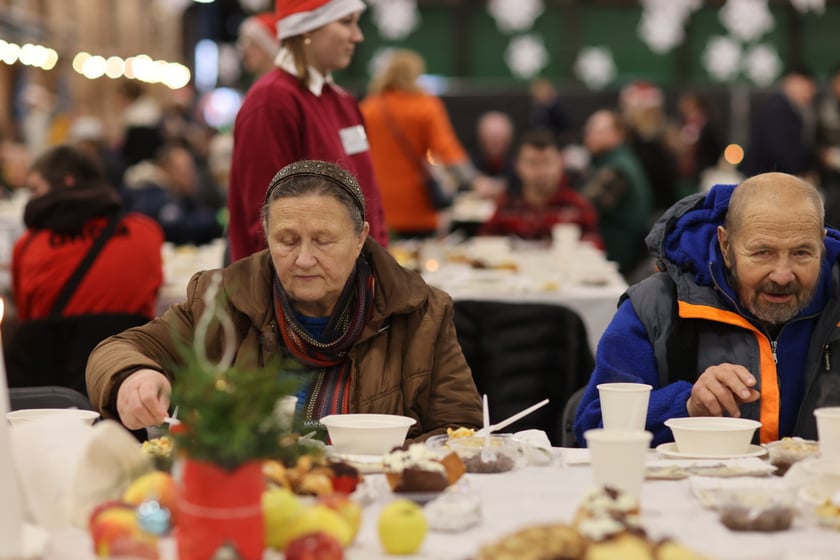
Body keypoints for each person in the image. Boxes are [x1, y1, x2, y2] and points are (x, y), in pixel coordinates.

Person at [86, 160, 484, 440]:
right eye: (287, 240)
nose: (304, 259)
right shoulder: (221, 301)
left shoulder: (420, 312)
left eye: (323, 240)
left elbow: (458, 434)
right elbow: (117, 349)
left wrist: (376, 462)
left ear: (361, 237)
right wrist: (132, 377)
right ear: (266, 235)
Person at [574, 172, 840, 447]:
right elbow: (593, 429)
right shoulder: (655, 307)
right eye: (763, 252)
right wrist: (687, 406)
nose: (782, 275)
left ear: (821, 243)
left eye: (802, 253)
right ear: (726, 246)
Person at [227, 0, 388, 262]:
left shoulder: (343, 102)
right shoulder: (272, 102)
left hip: (352, 286)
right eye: (346, 22)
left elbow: (370, 197)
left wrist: (381, 269)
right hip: (300, 290)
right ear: (306, 28)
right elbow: (264, 222)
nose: (358, 36)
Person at [8, 144, 164, 395]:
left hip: (55, 394)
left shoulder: (27, 247)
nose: (31, 199)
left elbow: (29, 319)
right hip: (131, 385)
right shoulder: (147, 233)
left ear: (67, 182)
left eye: (35, 189)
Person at [360, 49, 476, 239]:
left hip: (378, 203)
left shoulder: (369, 107)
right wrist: (472, 179)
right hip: (417, 204)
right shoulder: (426, 106)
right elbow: (446, 148)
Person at [479, 129, 603, 248]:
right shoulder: (506, 207)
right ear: (518, 166)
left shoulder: (578, 207)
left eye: (547, 162)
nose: (541, 171)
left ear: (561, 163)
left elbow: (595, 248)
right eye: (532, 163)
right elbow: (484, 245)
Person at [579, 109, 653, 278]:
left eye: (597, 131)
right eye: (588, 130)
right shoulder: (615, 159)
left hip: (617, 253)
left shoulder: (617, 168)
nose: (588, 135)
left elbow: (584, 207)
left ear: (618, 135)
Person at [123, 141, 225, 246]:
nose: (191, 176)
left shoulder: (180, 194)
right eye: (184, 171)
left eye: (191, 170)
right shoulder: (151, 194)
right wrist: (218, 217)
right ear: (167, 169)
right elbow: (179, 226)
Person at [740, 65, 817, 178]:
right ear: (790, 83)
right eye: (806, 87)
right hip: (766, 177)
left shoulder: (790, 109)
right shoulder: (778, 110)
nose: (810, 93)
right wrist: (797, 173)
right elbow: (779, 150)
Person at [469, 110, 518, 199]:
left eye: (499, 136)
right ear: (481, 137)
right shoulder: (468, 162)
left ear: (509, 138)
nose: (495, 141)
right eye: (491, 136)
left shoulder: (519, 163)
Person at [237, 11, 280, 80]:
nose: (245, 50)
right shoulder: (261, 82)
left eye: (252, 44)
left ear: (268, 49)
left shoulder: (274, 86)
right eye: (243, 43)